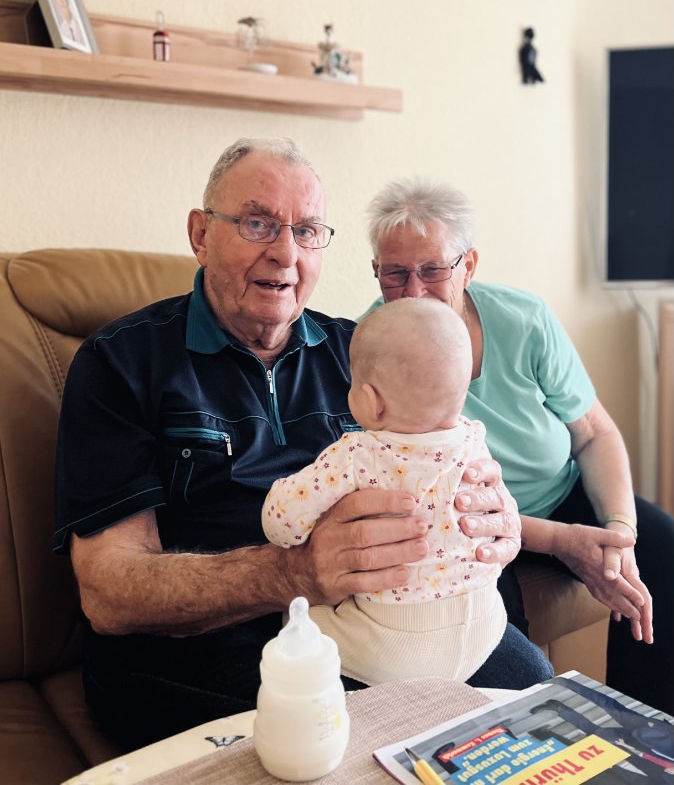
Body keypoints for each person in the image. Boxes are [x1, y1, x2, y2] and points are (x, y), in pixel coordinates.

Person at [53, 138, 525, 750]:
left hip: (377, 624)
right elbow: (109, 592)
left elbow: (445, 469)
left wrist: (496, 517)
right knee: (344, 748)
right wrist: (294, 573)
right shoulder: (121, 362)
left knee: (532, 701)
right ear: (200, 234)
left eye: (306, 231)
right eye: (257, 224)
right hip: (200, 650)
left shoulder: (361, 351)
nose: (285, 253)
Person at [362, 176, 674, 715]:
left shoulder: (523, 319)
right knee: (492, 633)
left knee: (661, 552)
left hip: (559, 496)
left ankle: (640, 728)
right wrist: (562, 542)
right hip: (465, 527)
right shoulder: (371, 344)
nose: (413, 291)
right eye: (395, 273)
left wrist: (620, 530)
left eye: (433, 269)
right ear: (377, 270)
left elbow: (594, 433)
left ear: (468, 265)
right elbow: (426, 499)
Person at [263, 297, 552, 688]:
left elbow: (281, 522)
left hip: (394, 646)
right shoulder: (474, 440)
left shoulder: (360, 454)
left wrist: (282, 500)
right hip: (484, 625)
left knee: (302, 621)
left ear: (371, 401)